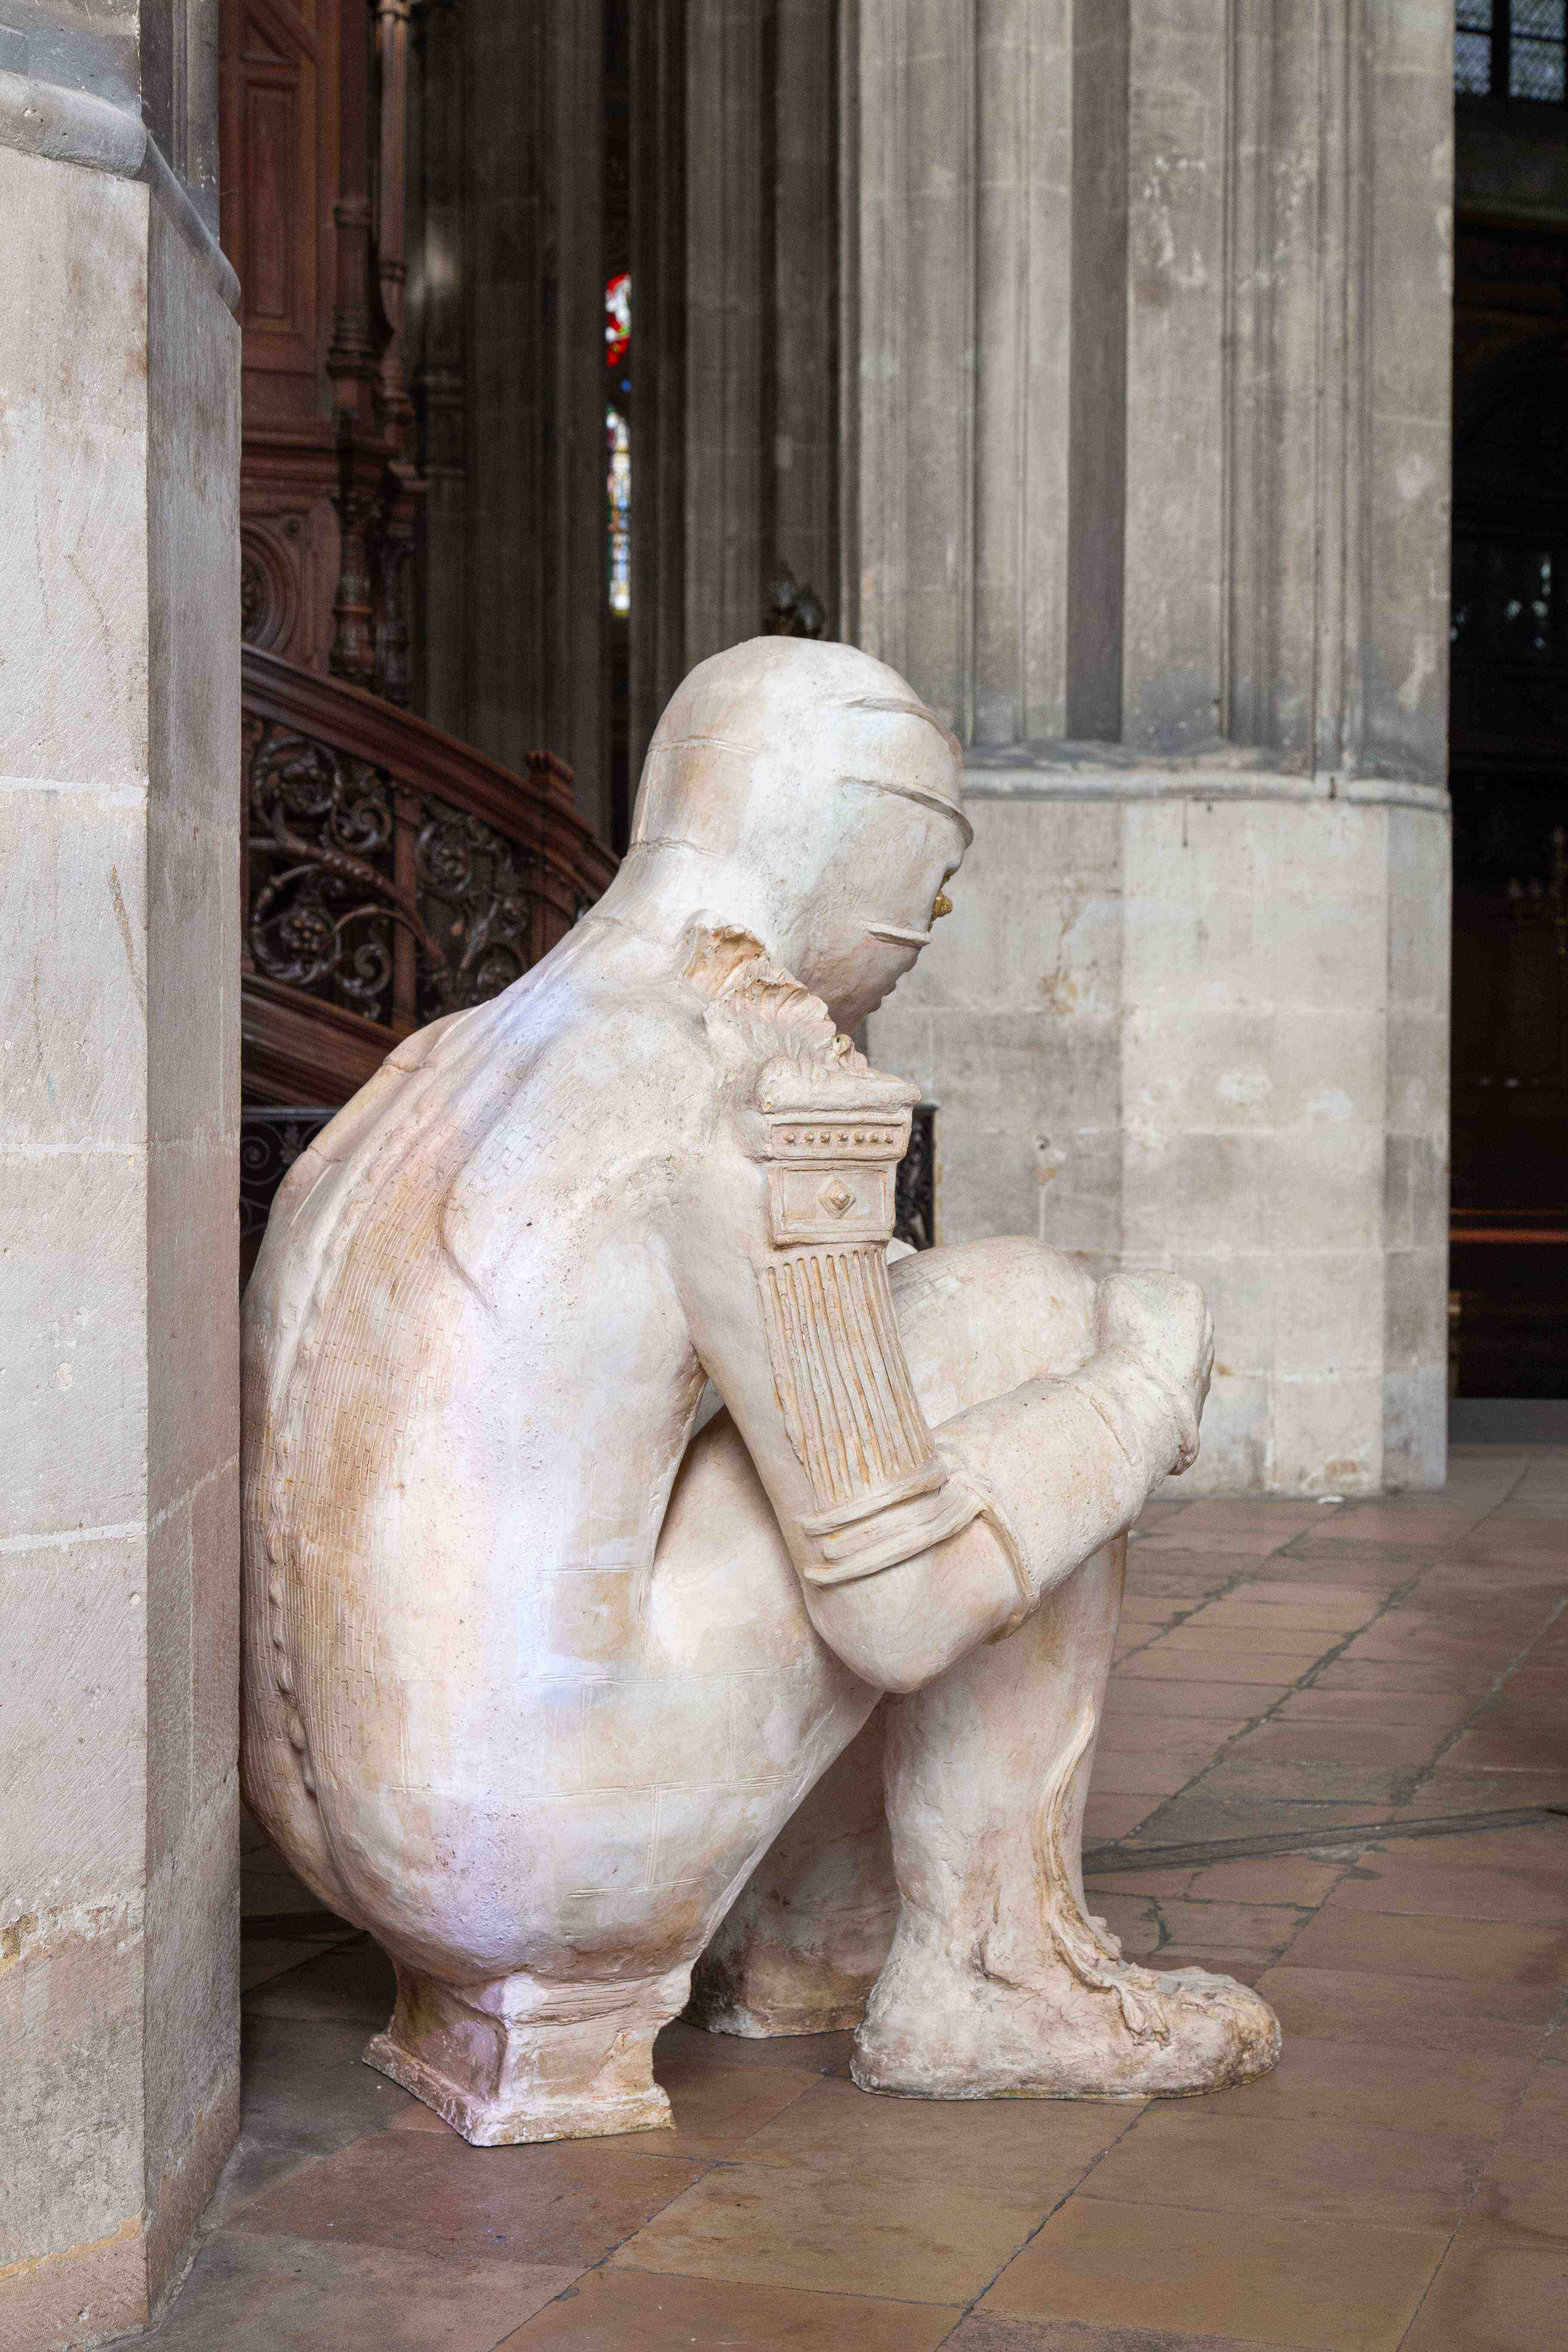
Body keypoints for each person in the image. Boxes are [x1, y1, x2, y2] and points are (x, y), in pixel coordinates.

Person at [241, 636, 1277, 2145]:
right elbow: (902, 1601)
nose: (940, 907)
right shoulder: (744, 1086)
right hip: (548, 1851)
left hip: (363, 1849)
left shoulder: (440, 1062)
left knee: (938, 1320)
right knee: (1039, 1312)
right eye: (937, 850)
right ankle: (994, 1975)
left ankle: (810, 1947)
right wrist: (1138, 1387)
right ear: (858, 829)